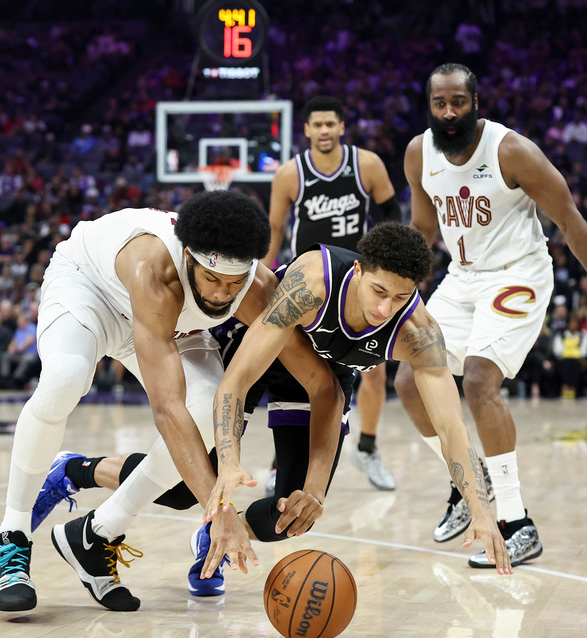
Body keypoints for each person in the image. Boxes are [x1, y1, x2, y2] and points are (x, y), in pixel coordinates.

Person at [0, 191, 342, 613]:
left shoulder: (256, 288)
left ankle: (99, 533)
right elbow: (166, 409)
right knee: (64, 379)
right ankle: (12, 537)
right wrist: (221, 510)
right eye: (212, 280)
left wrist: (316, 487)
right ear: (190, 257)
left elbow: (322, 383)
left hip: (168, 324)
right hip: (92, 291)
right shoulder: (154, 267)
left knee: (211, 402)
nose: (222, 295)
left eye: (234, 283)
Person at [397, 64, 587, 567]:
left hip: (518, 274)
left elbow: (568, 218)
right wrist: (400, 289)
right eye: (440, 103)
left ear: (476, 101)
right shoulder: (419, 153)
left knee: (479, 380)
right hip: (462, 277)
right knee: (411, 381)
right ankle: (468, 482)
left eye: (459, 101)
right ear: (429, 105)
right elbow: (422, 227)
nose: (450, 112)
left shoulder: (511, 151)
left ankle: (517, 521)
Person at [203, 222, 512, 580]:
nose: (384, 309)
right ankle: (131, 487)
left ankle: (217, 536)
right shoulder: (313, 283)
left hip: (322, 381)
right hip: (260, 347)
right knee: (186, 486)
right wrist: (229, 463)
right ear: (358, 270)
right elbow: (236, 381)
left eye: (399, 298)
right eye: (378, 291)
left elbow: (451, 428)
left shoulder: (418, 335)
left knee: (293, 515)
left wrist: (482, 510)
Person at [263, 95, 404, 491]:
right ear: (306, 129)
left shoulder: (367, 165)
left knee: (373, 374)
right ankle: (282, 460)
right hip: (309, 287)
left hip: (359, 286)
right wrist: (261, 278)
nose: (324, 131)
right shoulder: (290, 174)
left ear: (342, 127)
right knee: (297, 372)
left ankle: (368, 448)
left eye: (331, 124)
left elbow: (394, 217)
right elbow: (275, 230)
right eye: (317, 125)